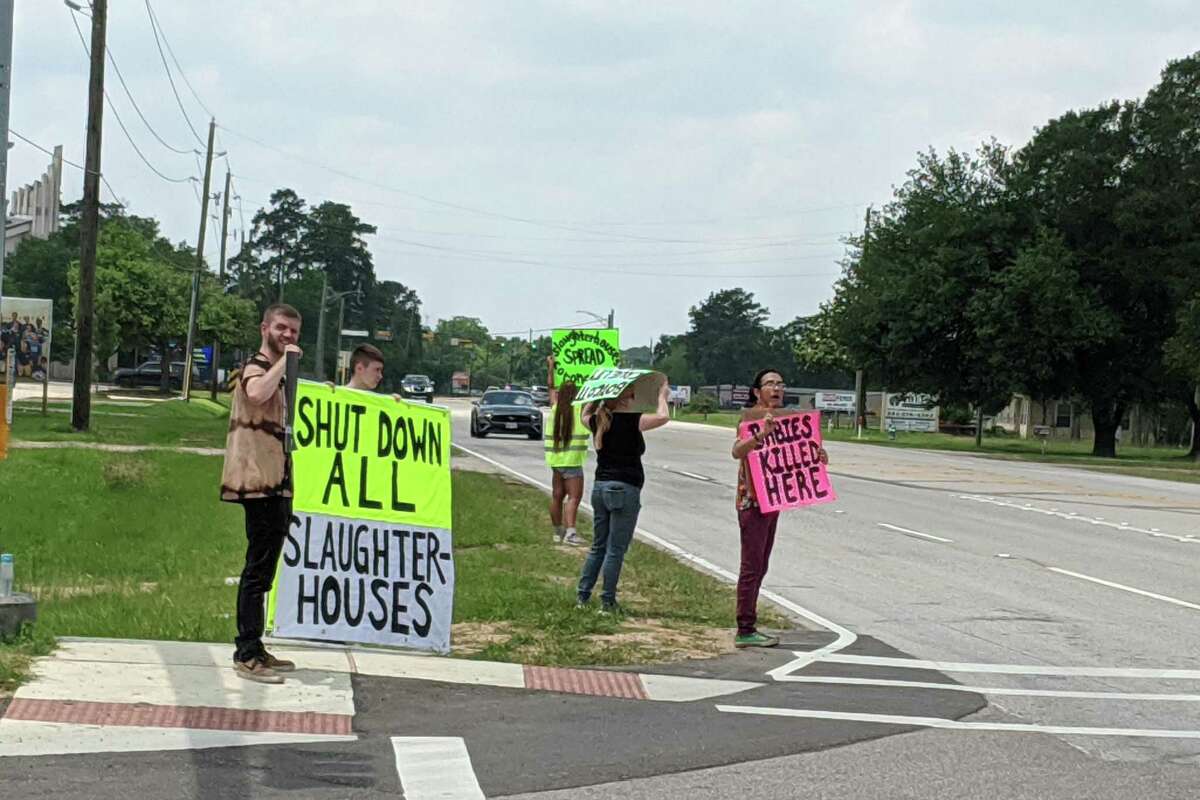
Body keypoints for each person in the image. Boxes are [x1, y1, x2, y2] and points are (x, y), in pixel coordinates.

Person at [219, 303, 303, 684]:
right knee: (256, 570)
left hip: (278, 481)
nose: (288, 336)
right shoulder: (256, 367)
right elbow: (255, 394)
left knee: (266, 569)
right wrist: (286, 361)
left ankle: (256, 646)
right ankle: (246, 651)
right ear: (265, 328)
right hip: (258, 484)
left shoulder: (282, 374)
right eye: (282, 328)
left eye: (294, 332)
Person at [730, 368, 829, 648]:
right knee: (751, 566)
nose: (777, 388)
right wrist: (761, 434)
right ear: (756, 391)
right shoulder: (750, 419)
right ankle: (745, 628)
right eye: (770, 383)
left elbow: (798, 455)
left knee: (761, 565)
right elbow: (737, 451)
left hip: (773, 501)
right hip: (752, 502)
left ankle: (749, 622)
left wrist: (818, 456)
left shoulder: (790, 420)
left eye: (780, 384)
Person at [576, 378, 671, 613]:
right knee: (615, 548)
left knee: (598, 545)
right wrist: (662, 397)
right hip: (624, 487)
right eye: (631, 393)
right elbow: (663, 417)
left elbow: (582, 415)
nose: (633, 396)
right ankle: (607, 601)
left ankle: (583, 595)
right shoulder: (631, 420)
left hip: (601, 486)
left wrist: (594, 394)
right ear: (624, 397)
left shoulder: (599, 420)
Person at [545, 356, 587, 546]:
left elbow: (551, 387)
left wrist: (551, 367)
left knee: (557, 496)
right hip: (573, 462)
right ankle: (571, 532)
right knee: (574, 497)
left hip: (556, 461)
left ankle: (557, 532)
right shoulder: (580, 409)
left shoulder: (555, 408)